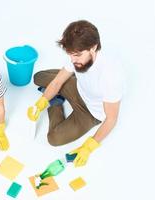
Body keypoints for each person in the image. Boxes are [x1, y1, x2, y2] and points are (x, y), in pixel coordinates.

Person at [27, 20, 124, 167]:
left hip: (90, 113)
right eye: (70, 55)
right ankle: (58, 92)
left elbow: (111, 119)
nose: (72, 60)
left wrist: (89, 146)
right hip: (78, 88)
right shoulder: (76, 57)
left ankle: (57, 102)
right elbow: (57, 82)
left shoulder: (110, 77)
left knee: (54, 138)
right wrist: (41, 103)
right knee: (38, 77)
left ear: (93, 47)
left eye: (77, 55)